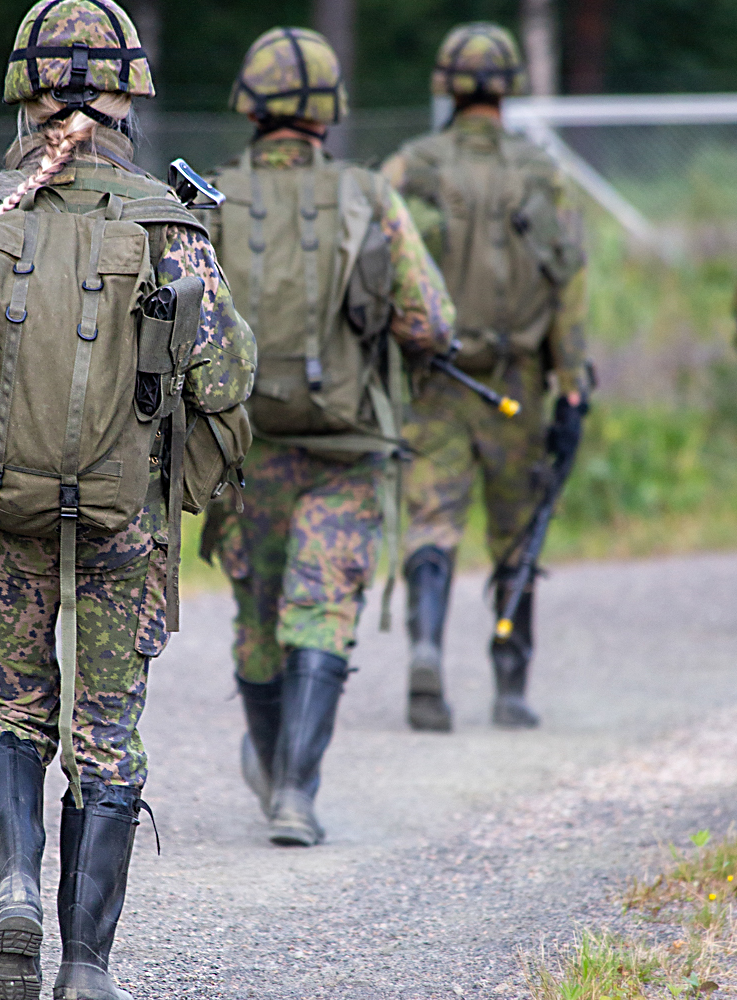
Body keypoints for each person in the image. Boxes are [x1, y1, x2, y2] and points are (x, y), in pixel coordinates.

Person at [0, 3, 255, 998]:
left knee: (4, 709)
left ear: (21, 90)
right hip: (125, 520)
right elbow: (224, 376)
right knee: (105, 735)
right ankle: (85, 967)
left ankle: (14, 889)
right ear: (127, 93)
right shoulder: (166, 219)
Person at [199, 27, 455, 847]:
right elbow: (429, 320)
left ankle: (272, 769)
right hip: (346, 450)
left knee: (258, 616)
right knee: (323, 607)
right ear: (327, 114)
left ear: (251, 106)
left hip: (245, 452)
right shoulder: (369, 196)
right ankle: (297, 796)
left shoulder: (209, 199)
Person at [380, 22, 590, 733]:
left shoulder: (409, 168)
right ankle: (509, 682)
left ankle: (429, 654)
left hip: (435, 379)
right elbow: (570, 283)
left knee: (431, 521)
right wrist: (571, 375)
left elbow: (372, 265)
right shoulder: (542, 173)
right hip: (517, 384)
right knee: (517, 529)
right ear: (507, 90)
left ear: (446, 86)